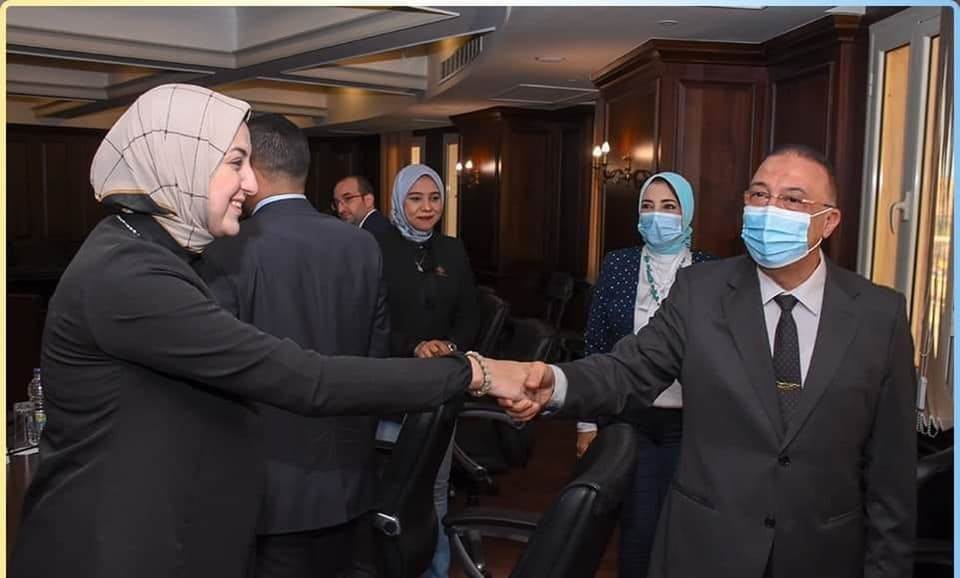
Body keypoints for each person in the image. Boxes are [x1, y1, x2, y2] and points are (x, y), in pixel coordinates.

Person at [8, 84, 523, 578]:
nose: (252, 184)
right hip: (113, 549)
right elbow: (306, 378)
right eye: (235, 162)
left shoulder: (147, 251)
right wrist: (471, 374)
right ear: (180, 162)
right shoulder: (130, 274)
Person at [502, 145, 917, 578]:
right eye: (759, 195)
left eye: (792, 199)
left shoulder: (879, 314)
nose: (769, 209)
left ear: (829, 221)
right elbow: (629, 367)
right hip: (707, 547)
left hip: (822, 554)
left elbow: (892, 473)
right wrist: (555, 382)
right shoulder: (700, 290)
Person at [194, 114, 386, 578]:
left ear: (251, 170)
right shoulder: (362, 246)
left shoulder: (225, 250)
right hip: (350, 480)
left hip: (266, 489)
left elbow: (214, 374)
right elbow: (376, 361)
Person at [576, 171, 713, 578]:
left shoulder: (712, 271)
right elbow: (596, 344)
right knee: (637, 524)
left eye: (669, 207)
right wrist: (586, 423)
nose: (657, 217)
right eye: (648, 207)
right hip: (630, 416)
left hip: (692, 423)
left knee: (682, 527)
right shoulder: (618, 265)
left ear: (687, 213)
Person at [375, 164, 480, 578]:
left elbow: (470, 315)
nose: (427, 207)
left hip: (440, 385)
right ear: (398, 201)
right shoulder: (375, 247)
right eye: (416, 199)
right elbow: (370, 319)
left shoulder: (453, 250)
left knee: (435, 487)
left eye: (435, 198)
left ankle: (433, 570)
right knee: (390, 487)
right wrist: (413, 347)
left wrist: (450, 347)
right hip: (391, 384)